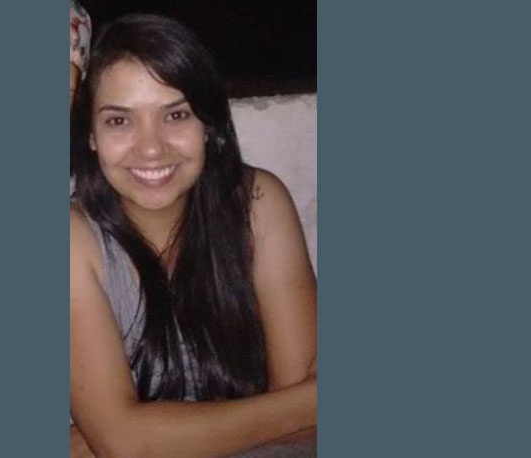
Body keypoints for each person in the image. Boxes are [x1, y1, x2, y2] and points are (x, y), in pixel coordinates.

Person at [70, 14, 317, 457]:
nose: (151, 148)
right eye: (119, 121)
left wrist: (143, 436)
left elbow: (302, 434)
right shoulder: (73, 240)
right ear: (90, 135)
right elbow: (125, 444)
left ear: (208, 124)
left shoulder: (258, 204)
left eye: (176, 114)